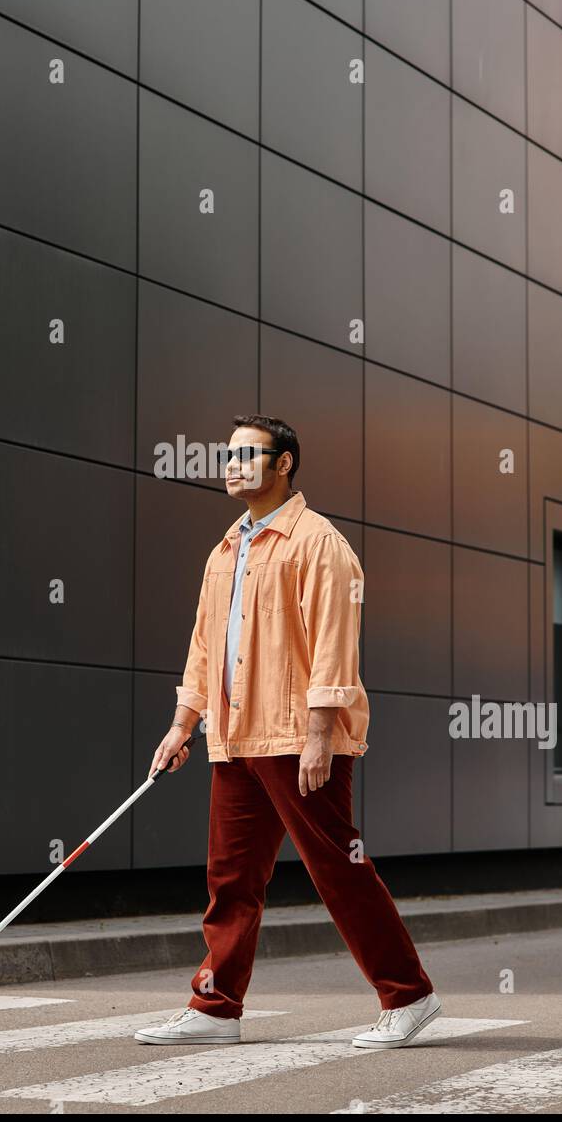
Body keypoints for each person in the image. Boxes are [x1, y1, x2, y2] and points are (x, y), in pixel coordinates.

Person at [134, 414, 441, 1049]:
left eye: (251, 454)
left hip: (296, 737)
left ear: (285, 465)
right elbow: (203, 645)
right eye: (229, 453)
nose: (234, 463)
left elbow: (335, 641)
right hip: (235, 737)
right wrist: (182, 724)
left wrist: (321, 732)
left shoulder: (318, 543)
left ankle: (409, 996)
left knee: (338, 866)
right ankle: (216, 1007)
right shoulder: (226, 550)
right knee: (231, 878)